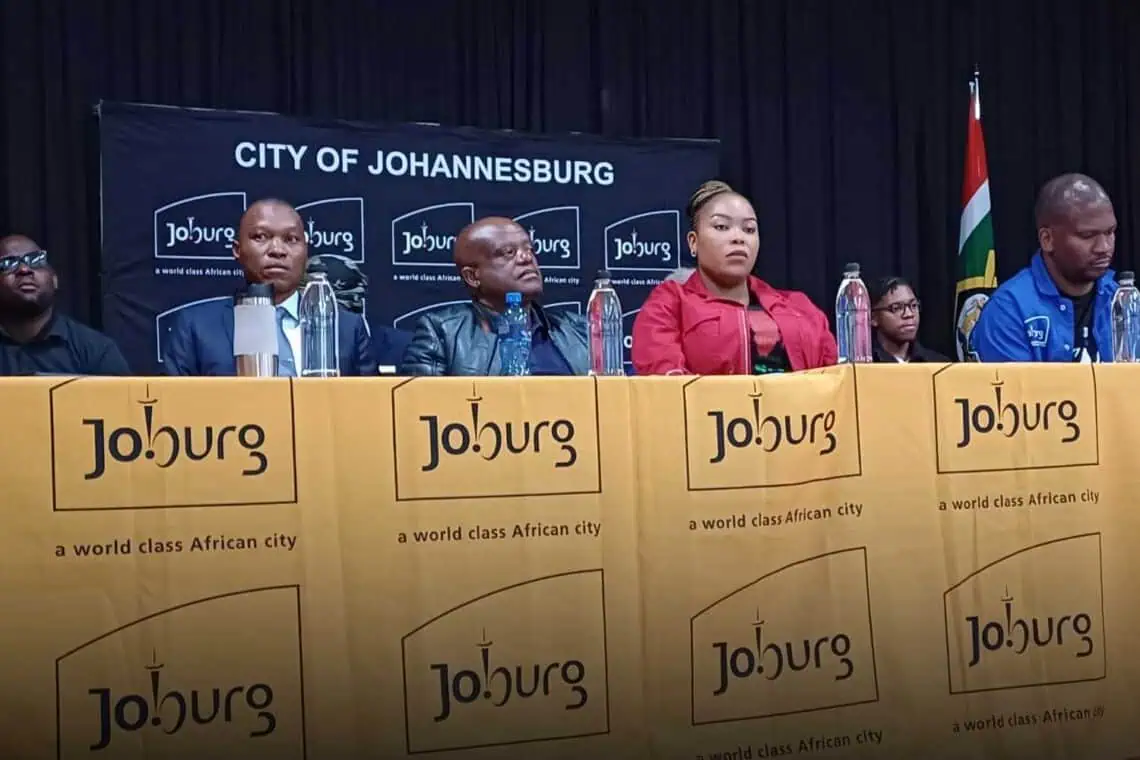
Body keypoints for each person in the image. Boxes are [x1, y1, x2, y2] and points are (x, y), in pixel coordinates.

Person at [163, 198, 396, 376]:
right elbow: (174, 411)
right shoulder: (196, 327)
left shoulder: (346, 328)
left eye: (291, 239)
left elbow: (370, 408)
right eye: (261, 237)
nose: (277, 250)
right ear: (237, 250)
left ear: (306, 251)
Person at [631, 181, 837, 375]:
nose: (738, 238)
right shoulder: (669, 305)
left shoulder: (800, 307)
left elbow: (835, 381)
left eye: (749, 229)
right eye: (721, 227)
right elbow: (666, 383)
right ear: (693, 242)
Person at [398, 216, 589, 376]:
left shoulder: (580, 331)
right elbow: (422, 406)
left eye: (529, 249)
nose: (526, 258)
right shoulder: (443, 334)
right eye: (509, 252)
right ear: (472, 277)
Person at [972, 173, 1118, 363]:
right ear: (1047, 239)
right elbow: (1014, 383)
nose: (1104, 247)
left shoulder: (1123, 300)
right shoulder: (1009, 311)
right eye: (1087, 235)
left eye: (1110, 232)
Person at [0, 234, 130, 376]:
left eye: (36, 260)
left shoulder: (96, 350)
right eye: (8, 263)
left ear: (55, 281)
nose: (24, 270)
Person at [869, 276, 948, 363]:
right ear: (873, 318)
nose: (909, 314)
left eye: (913, 305)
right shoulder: (864, 365)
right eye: (896, 308)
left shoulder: (938, 364)